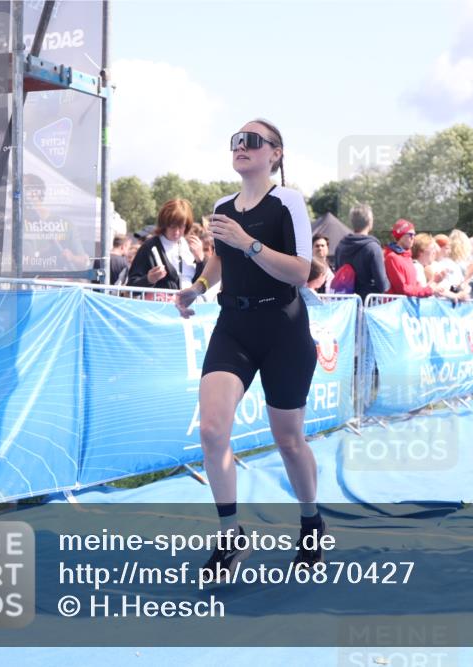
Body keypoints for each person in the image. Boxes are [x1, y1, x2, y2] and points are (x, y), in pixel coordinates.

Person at [174, 119, 325, 575]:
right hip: (234, 325)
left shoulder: (288, 202)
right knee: (211, 430)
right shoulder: (222, 206)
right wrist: (198, 287)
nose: (241, 146)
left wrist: (249, 243)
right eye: (236, 141)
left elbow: (300, 272)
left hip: (284, 328)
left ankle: (311, 521)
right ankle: (231, 536)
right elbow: (220, 259)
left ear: (275, 153)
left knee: (289, 440)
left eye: (253, 141)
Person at [127, 198, 205, 290]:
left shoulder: (192, 246)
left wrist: (201, 261)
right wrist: (149, 279)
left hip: (191, 299)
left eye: (181, 226)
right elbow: (131, 286)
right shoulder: (150, 246)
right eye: (172, 226)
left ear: (187, 225)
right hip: (160, 299)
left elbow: (204, 282)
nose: (176, 232)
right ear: (164, 224)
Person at [384, 219, 455, 299]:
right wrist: (430, 288)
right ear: (401, 236)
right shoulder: (392, 258)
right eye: (410, 234)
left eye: (414, 235)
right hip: (396, 304)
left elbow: (415, 286)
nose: (413, 238)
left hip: (406, 304)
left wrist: (433, 285)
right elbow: (403, 289)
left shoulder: (407, 258)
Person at [332, 203, 389, 301]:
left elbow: (337, 273)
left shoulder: (340, 246)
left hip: (346, 303)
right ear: (370, 222)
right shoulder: (373, 248)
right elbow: (382, 284)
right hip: (368, 304)